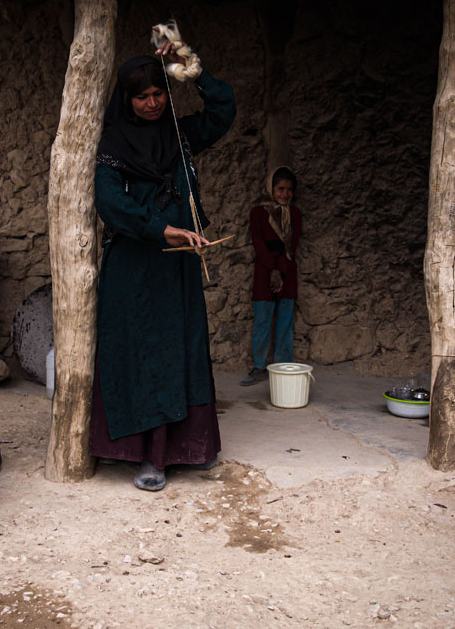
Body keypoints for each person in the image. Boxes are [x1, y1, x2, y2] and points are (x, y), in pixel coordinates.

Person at [89, 39, 236, 491]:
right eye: (142, 96)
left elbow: (223, 111)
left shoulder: (180, 132)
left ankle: (188, 448)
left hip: (177, 268)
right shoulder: (112, 144)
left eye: (158, 93)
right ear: (127, 100)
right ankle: (145, 457)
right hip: (133, 269)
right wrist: (160, 229)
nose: (152, 103)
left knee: (181, 347)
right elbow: (110, 204)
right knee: (139, 351)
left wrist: (190, 70)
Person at [240, 167, 302, 386]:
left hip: (287, 271)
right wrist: (273, 271)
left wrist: (282, 272)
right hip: (264, 272)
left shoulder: (294, 214)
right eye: (280, 189)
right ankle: (259, 367)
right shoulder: (258, 213)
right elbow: (259, 243)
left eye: (289, 190)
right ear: (271, 189)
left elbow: (292, 245)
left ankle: (282, 368)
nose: (285, 194)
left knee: (285, 322)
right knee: (263, 321)